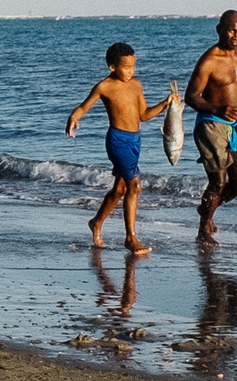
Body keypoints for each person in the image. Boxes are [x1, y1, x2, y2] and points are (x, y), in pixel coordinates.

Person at [65, 41, 172, 254]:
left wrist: (165, 103)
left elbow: (144, 115)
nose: (131, 71)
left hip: (135, 140)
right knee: (135, 186)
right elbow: (84, 106)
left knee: (120, 189)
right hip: (117, 141)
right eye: (126, 67)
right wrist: (73, 117)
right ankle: (130, 238)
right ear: (113, 67)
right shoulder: (104, 86)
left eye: (133, 67)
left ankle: (96, 222)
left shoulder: (136, 85)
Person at [184, 10, 237, 242]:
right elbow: (191, 97)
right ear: (219, 29)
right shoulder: (209, 60)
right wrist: (216, 109)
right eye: (232, 30)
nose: (236, 35)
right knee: (218, 181)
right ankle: (203, 231)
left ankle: (207, 209)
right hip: (212, 124)